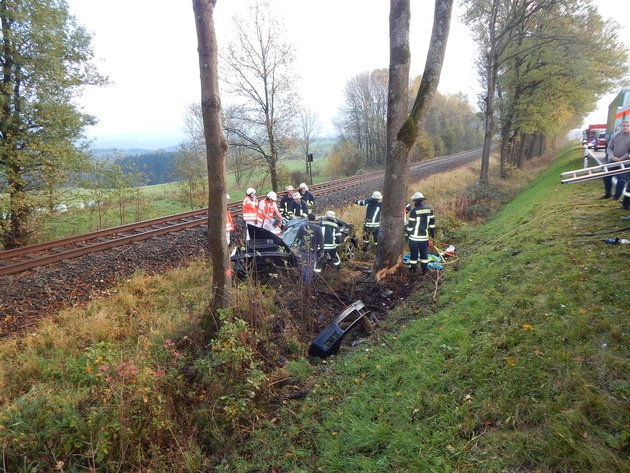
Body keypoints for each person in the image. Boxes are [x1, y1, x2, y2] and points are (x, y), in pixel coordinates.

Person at [405, 191, 435, 274]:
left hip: (414, 238)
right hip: (424, 238)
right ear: (422, 200)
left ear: (415, 201)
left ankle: (412, 269)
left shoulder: (414, 211)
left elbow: (411, 226)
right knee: (424, 254)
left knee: (413, 255)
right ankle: (424, 270)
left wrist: (407, 234)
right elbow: (432, 223)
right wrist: (432, 233)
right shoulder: (429, 210)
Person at [602, 121, 630, 202]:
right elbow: (609, 148)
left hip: (626, 162)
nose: (625, 127)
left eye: (627, 126)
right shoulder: (616, 135)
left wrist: (621, 159)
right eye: (624, 125)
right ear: (621, 126)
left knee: (621, 179)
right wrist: (612, 156)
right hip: (614, 160)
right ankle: (608, 193)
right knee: (606, 175)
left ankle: (616, 196)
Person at [293, 213, 324, 284]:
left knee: (304, 268)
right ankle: (308, 286)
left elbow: (296, 240)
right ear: (315, 219)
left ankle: (304, 285)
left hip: (303, 251)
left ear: (307, 219)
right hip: (313, 252)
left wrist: (295, 250)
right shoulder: (318, 228)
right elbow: (321, 242)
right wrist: (322, 251)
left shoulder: (302, 227)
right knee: (310, 269)